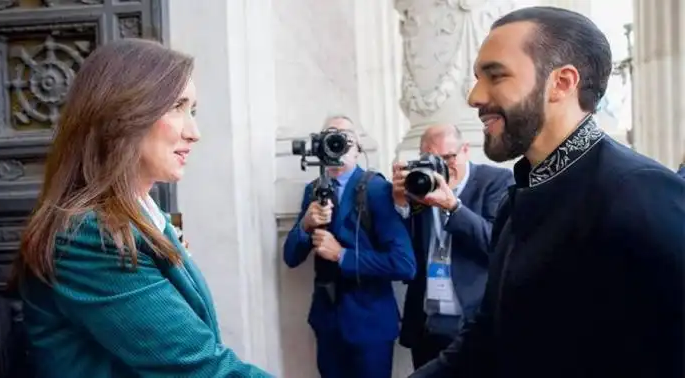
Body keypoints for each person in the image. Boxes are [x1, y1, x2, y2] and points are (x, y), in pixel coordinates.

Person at [411, 6, 684, 378]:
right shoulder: (518, 199)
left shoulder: (638, 192)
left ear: (562, 82)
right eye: (478, 78)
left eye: (496, 76)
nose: (475, 96)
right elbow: (486, 340)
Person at [11, 39, 272, 378]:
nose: (194, 133)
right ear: (123, 114)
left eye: (192, 110)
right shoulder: (90, 236)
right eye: (177, 106)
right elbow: (201, 368)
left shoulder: (142, 216)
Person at [283, 115, 416, 378]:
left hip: (370, 326)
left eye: (344, 139)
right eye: (330, 138)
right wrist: (305, 226)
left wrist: (342, 255)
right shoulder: (313, 191)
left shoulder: (378, 189)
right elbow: (291, 257)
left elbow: (404, 264)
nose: (337, 144)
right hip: (327, 322)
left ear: (358, 149)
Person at [393, 124, 513, 369]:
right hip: (428, 325)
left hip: (473, 324)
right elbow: (403, 249)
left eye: (448, 158)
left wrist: (453, 206)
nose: (441, 167)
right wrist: (400, 205)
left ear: (465, 150)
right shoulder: (419, 184)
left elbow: (496, 244)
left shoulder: (496, 182)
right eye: (431, 160)